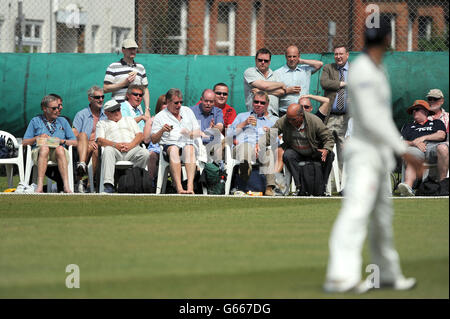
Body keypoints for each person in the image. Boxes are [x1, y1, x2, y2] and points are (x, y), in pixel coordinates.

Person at [324, 18, 424, 293]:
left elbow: (379, 117)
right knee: (356, 212)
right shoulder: (364, 71)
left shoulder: (378, 69)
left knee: (382, 217)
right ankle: (340, 276)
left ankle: (388, 274)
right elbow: (370, 118)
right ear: (388, 38)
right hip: (365, 156)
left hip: (378, 156)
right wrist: (404, 149)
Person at [268, 103, 335, 196]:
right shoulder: (284, 120)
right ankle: (300, 187)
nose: (290, 121)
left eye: (293, 119)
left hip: (314, 151)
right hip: (297, 151)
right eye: (288, 118)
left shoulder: (314, 121)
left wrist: (326, 149)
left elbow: (329, 137)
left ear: (301, 116)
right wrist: (259, 145)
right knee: (288, 155)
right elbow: (271, 134)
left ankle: (322, 188)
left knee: (330, 155)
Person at [151, 88, 202, 194]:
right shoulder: (160, 116)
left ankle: (190, 187)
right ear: (168, 102)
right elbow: (154, 140)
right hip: (169, 147)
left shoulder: (187, 111)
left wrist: (190, 134)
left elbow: (198, 131)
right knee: (174, 149)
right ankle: (179, 188)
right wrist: (162, 130)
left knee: (189, 148)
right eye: (176, 103)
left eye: (180, 102)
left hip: (187, 145)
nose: (179, 105)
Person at [22, 95, 77, 193]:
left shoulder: (63, 121)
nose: (57, 110)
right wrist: (37, 138)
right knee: (44, 148)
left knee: (60, 149)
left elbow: (75, 142)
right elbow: (24, 142)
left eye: (58, 107)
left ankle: (66, 186)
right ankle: (39, 187)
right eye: (54, 108)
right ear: (44, 109)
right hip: (40, 152)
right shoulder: (35, 121)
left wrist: (61, 141)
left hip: (59, 152)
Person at [228, 91, 278, 196]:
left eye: (262, 103)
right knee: (246, 147)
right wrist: (244, 123)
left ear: (267, 105)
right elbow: (229, 134)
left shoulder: (269, 123)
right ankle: (244, 175)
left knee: (268, 152)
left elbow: (276, 142)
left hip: (259, 150)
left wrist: (269, 133)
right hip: (241, 149)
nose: (258, 105)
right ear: (252, 103)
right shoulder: (242, 116)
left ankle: (269, 188)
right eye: (256, 102)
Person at [96, 100, 150, 193]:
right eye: (113, 111)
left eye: (118, 109)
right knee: (108, 150)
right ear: (106, 113)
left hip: (131, 149)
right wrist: (115, 145)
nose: (117, 112)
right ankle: (109, 186)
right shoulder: (102, 123)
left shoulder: (129, 119)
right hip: (114, 150)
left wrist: (131, 145)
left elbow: (140, 135)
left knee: (145, 153)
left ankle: (134, 180)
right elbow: (100, 140)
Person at [397, 100, 447, 196]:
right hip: (415, 148)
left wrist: (423, 138)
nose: (414, 112)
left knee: (443, 148)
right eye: (413, 111)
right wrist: (413, 143)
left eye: (417, 109)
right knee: (411, 155)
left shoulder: (437, 122)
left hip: (434, 147)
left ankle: (443, 186)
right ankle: (407, 188)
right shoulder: (408, 126)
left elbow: (441, 135)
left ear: (425, 111)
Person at [320, 44, 351, 171]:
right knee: (326, 146)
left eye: (341, 54)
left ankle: (343, 181)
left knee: (344, 150)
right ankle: (326, 180)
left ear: (347, 55)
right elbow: (324, 83)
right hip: (330, 116)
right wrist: (342, 83)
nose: (338, 57)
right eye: (336, 54)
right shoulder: (329, 68)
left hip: (347, 117)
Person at [72, 85, 108, 192]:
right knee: (83, 135)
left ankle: (84, 181)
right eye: (97, 97)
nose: (101, 99)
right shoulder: (81, 114)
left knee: (96, 149)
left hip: (101, 146)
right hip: (83, 147)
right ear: (90, 98)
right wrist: (88, 143)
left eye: (102, 97)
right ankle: (86, 180)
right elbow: (74, 135)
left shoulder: (107, 114)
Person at [103, 38, 150, 115]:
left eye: (134, 49)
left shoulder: (140, 67)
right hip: (118, 109)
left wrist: (147, 109)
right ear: (123, 50)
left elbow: (145, 89)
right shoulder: (113, 66)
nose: (132, 51)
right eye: (129, 49)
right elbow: (105, 89)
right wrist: (124, 83)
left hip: (136, 110)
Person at [274, 45, 323, 117]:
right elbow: (274, 93)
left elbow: (319, 64)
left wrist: (301, 61)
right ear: (285, 57)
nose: (292, 59)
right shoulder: (278, 73)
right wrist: (287, 90)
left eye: (294, 56)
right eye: (289, 56)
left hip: (303, 112)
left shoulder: (305, 70)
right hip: (285, 113)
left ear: (298, 56)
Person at [243, 48, 287, 117]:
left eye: (266, 61)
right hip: (255, 115)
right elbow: (264, 86)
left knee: (274, 128)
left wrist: (260, 91)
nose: (263, 62)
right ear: (255, 60)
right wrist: (281, 84)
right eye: (260, 60)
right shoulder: (249, 72)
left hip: (273, 115)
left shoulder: (275, 75)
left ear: (269, 62)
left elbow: (281, 92)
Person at [144, 94, 167, 185]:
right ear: (159, 106)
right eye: (164, 103)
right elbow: (146, 140)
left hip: (169, 147)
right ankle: (151, 182)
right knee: (152, 155)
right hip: (155, 148)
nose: (167, 106)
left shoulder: (175, 119)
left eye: (168, 103)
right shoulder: (152, 120)